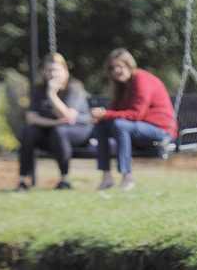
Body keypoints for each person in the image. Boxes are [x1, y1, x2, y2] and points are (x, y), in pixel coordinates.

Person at [91, 48, 177, 191]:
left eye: (120, 66)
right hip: (138, 127)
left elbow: (136, 114)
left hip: (160, 129)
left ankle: (127, 177)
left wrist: (105, 114)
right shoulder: (121, 85)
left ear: (129, 65)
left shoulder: (141, 79)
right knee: (102, 126)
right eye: (112, 68)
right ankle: (106, 177)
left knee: (120, 125)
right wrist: (101, 117)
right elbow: (116, 112)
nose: (116, 71)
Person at [17, 53, 92, 191]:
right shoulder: (39, 89)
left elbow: (68, 116)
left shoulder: (74, 87)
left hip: (78, 131)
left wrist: (52, 94)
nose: (52, 74)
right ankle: (23, 180)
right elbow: (31, 118)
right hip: (52, 130)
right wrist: (55, 123)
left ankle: (64, 180)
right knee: (28, 131)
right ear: (43, 72)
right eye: (48, 70)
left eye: (55, 70)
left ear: (65, 71)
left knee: (60, 132)